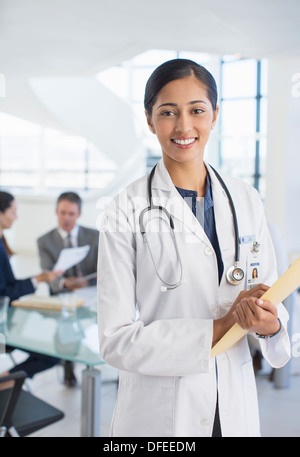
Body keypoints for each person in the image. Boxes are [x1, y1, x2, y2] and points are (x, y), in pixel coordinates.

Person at [97, 59, 291, 437]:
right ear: (150, 120)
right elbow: (115, 340)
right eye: (168, 112)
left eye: (197, 110)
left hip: (234, 402)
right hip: (161, 412)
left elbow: (269, 295)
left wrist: (270, 325)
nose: (184, 126)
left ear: (214, 115)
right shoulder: (125, 207)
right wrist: (220, 326)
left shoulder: (246, 199)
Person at [0, 191, 62, 387]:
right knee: (51, 354)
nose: (16, 217)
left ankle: (7, 381)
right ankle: (5, 382)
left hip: (8, 319)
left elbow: (7, 286)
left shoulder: (2, 241)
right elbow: (4, 293)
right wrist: (38, 279)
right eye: (12, 212)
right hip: (3, 328)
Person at [37, 191, 99, 386]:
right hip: (63, 294)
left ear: (79, 214)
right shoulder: (45, 241)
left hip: (91, 291)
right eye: (63, 213)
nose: (66, 218)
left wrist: (88, 282)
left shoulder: (94, 236)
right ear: (56, 212)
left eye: (71, 214)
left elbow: (102, 268)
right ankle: (67, 364)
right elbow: (48, 275)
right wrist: (65, 283)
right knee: (66, 325)